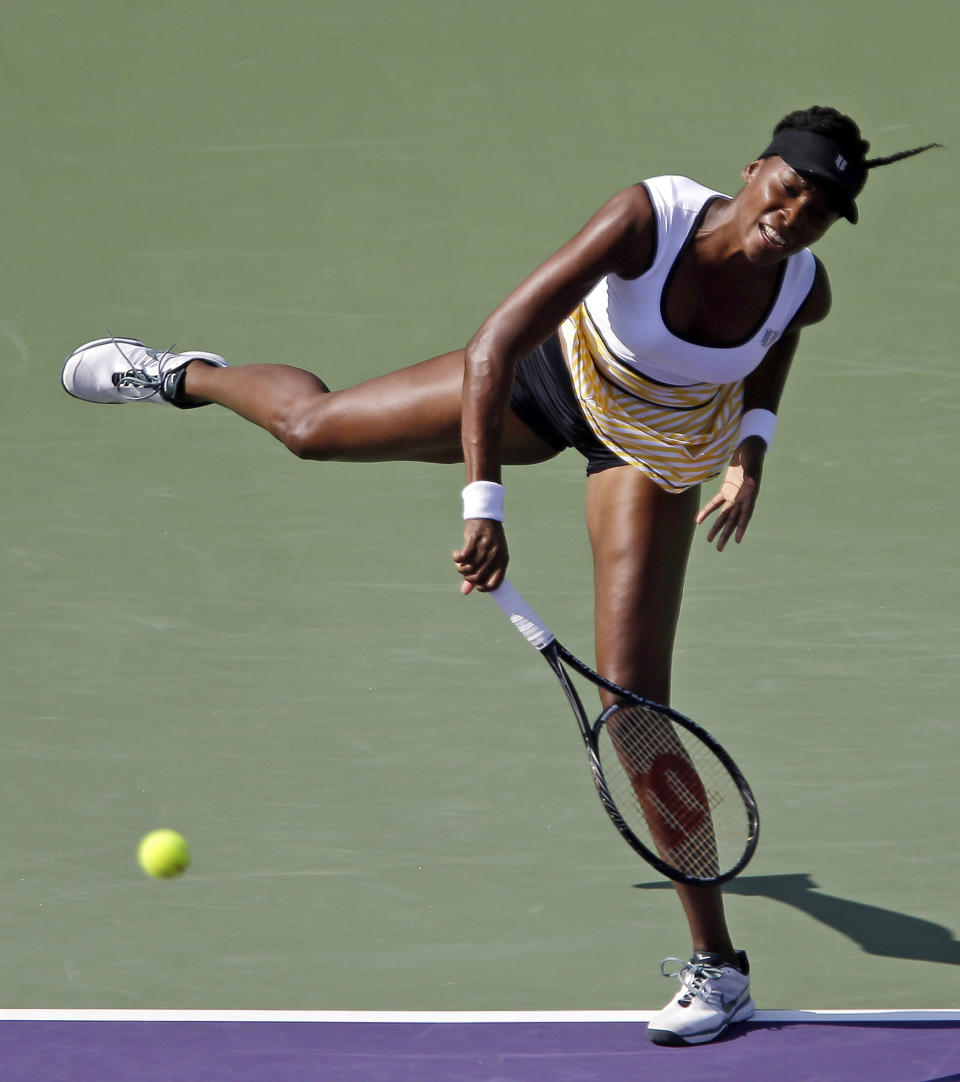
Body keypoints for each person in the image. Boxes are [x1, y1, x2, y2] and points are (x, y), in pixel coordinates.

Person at [60, 105, 939, 1046]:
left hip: (651, 453)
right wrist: (485, 503)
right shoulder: (653, 217)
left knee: (636, 714)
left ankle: (721, 971)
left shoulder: (803, 288)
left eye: (822, 209)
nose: (797, 215)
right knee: (311, 432)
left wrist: (752, 448)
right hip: (545, 379)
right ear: (757, 167)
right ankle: (184, 375)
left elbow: (775, 349)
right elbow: (496, 340)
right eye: (792, 187)